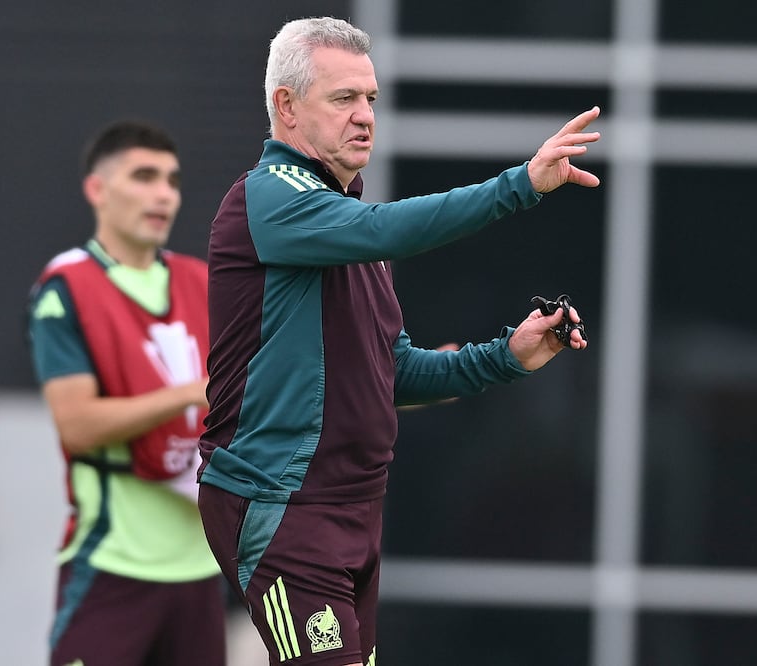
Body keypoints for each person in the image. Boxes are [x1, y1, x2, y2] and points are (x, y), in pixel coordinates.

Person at [196, 16, 599, 666]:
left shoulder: (348, 222)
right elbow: (389, 229)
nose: (364, 117)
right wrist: (518, 185)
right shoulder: (269, 198)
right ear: (286, 107)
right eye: (342, 98)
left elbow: (393, 374)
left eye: (370, 100)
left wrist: (506, 357)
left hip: (353, 507)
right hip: (282, 503)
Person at [27, 119, 226, 666]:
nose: (163, 193)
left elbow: (289, 383)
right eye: (144, 176)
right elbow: (77, 424)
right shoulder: (68, 287)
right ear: (98, 189)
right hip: (112, 566)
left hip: (201, 570)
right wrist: (193, 392)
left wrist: (411, 383)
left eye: (172, 179)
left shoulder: (205, 282)